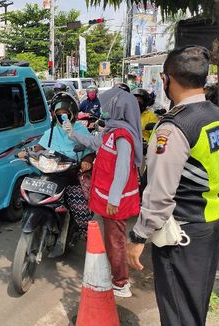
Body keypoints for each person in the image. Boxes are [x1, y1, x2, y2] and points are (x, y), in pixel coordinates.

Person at [127, 46, 219, 326]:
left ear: (167, 79)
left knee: (178, 312)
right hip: (210, 220)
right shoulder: (217, 115)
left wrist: (138, 237)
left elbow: (159, 195)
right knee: (195, 305)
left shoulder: (174, 127)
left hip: (182, 233)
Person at [64, 87, 143, 298]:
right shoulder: (111, 131)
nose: (104, 110)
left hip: (115, 200)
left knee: (115, 241)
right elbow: (93, 142)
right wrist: (71, 133)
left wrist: (115, 198)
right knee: (110, 239)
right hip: (108, 196)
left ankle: (121, 282)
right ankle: (115, 275)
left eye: (107, 107)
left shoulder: (123, 136)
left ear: (117, 108)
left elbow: (123, 169)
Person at [35, 92, 95, 243]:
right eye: (59, 114)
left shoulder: (80, 130)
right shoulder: (51, 131)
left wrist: (86, 161)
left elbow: (90, 150)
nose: (62, 117)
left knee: (80, 208)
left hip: (72, 176)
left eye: (65, 114)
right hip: (52, 175)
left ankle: (89, 236)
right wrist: (28, 153)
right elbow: (39, 148)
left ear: (72, 114)